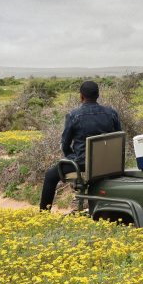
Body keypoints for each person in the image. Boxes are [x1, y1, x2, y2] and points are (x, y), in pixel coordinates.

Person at [39, 80, 122, 211]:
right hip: (106, 163)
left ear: (81, 96)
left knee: (50, 175)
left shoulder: (74, 115)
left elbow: (65, 144)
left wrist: (72, 157)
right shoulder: (111, 113)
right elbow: (118, 137)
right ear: (98, 95)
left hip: (82, 163)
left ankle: (43, 214)